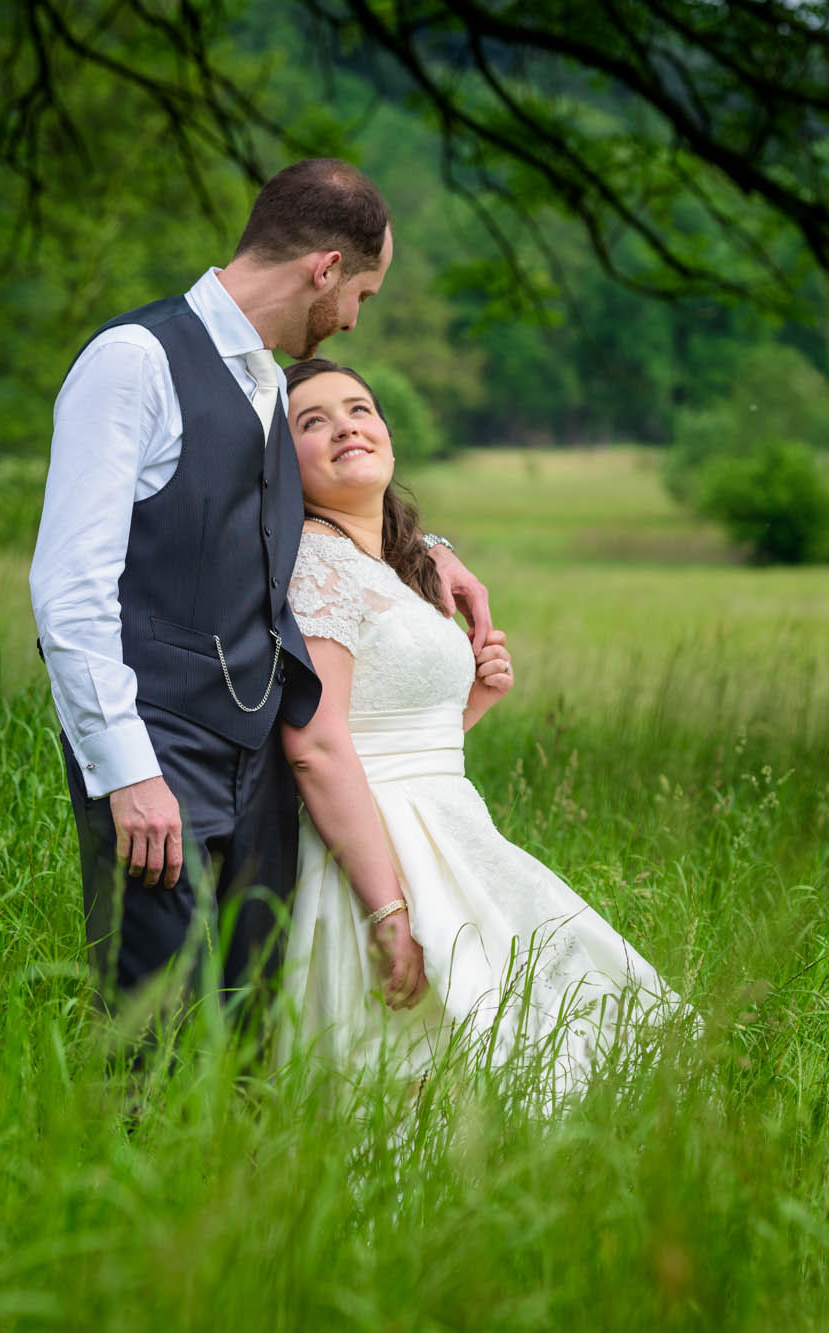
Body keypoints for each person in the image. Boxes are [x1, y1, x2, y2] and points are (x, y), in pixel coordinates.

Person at [28, 160, 491, 1028]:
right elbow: (68, 591)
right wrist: (129, 774)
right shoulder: (137, 361)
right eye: (362, 292)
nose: (355, 317)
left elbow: (298, 525)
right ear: (324, 269)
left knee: (250, 1040)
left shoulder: (269, 382)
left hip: (257, 770)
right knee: (154, 1033)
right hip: (157, 753)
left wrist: (428, 554)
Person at [275, 358, 683, 1098]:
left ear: (389, 435)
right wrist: (390, 908)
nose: (345, 427)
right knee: (412, 1076)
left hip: (447, 830)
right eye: (313, 422)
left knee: (540, 1041)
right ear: (283, 459)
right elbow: (316, 744)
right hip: (376, 856)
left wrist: (471, 700)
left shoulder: (396, 564)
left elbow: (395, 733)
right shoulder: (317, 567)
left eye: (360, 409)